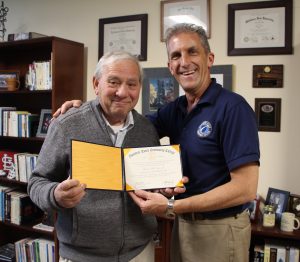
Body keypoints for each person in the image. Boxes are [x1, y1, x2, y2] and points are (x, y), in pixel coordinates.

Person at [55, 23, 260, 262]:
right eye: (176, 56)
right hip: (183, 224)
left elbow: (245, 189)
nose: (184, 62)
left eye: (192, 52)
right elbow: (124, 121)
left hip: (220, 228)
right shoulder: (175, 110)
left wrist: (171, 207)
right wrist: (87, 107)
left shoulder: (233, 108)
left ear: (210, 58)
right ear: (170, 67)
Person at [28, 51, 186, 262]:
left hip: (139, 252)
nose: (122, 92)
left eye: (132, 84)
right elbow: (36, 183)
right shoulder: (67, 124)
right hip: (82, 256)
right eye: (114, 82)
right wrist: (56, 195)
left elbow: (148, 186)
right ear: (96, 84)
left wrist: (163, 191)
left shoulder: (146, 129)